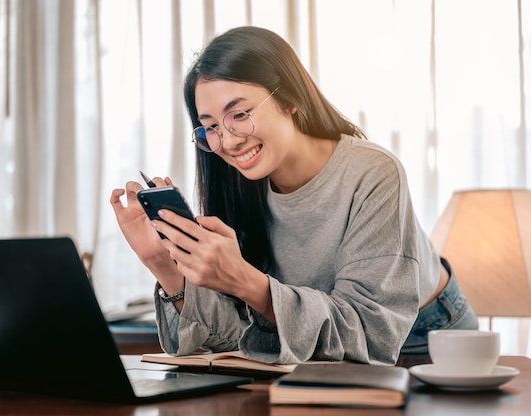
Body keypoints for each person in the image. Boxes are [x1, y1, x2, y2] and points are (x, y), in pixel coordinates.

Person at [110, 26, 478, 365]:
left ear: (289, 100)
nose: (229, 140)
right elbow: (236, 337)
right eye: (210, 127)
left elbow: (372, 335)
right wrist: (163, 263)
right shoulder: (236, 185)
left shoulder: (373, 171)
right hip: (319, 341)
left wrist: (246, 281)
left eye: (238, 113)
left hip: (423, 334)